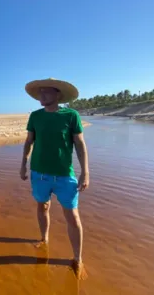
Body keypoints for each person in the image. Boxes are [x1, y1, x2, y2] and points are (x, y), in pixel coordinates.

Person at [19, 78, 89, 279]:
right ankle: (44, 239)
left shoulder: (71, 115)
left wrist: (85, 172)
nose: (42, 96)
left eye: (46, 92)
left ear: (57, 95)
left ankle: (78, 258)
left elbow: (80, 145)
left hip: (65, 175)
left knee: (72, 216)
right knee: (43, 206)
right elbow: (29, 142)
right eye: (40, 93)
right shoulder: (35, 116)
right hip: (39, 173)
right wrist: (23, 164)